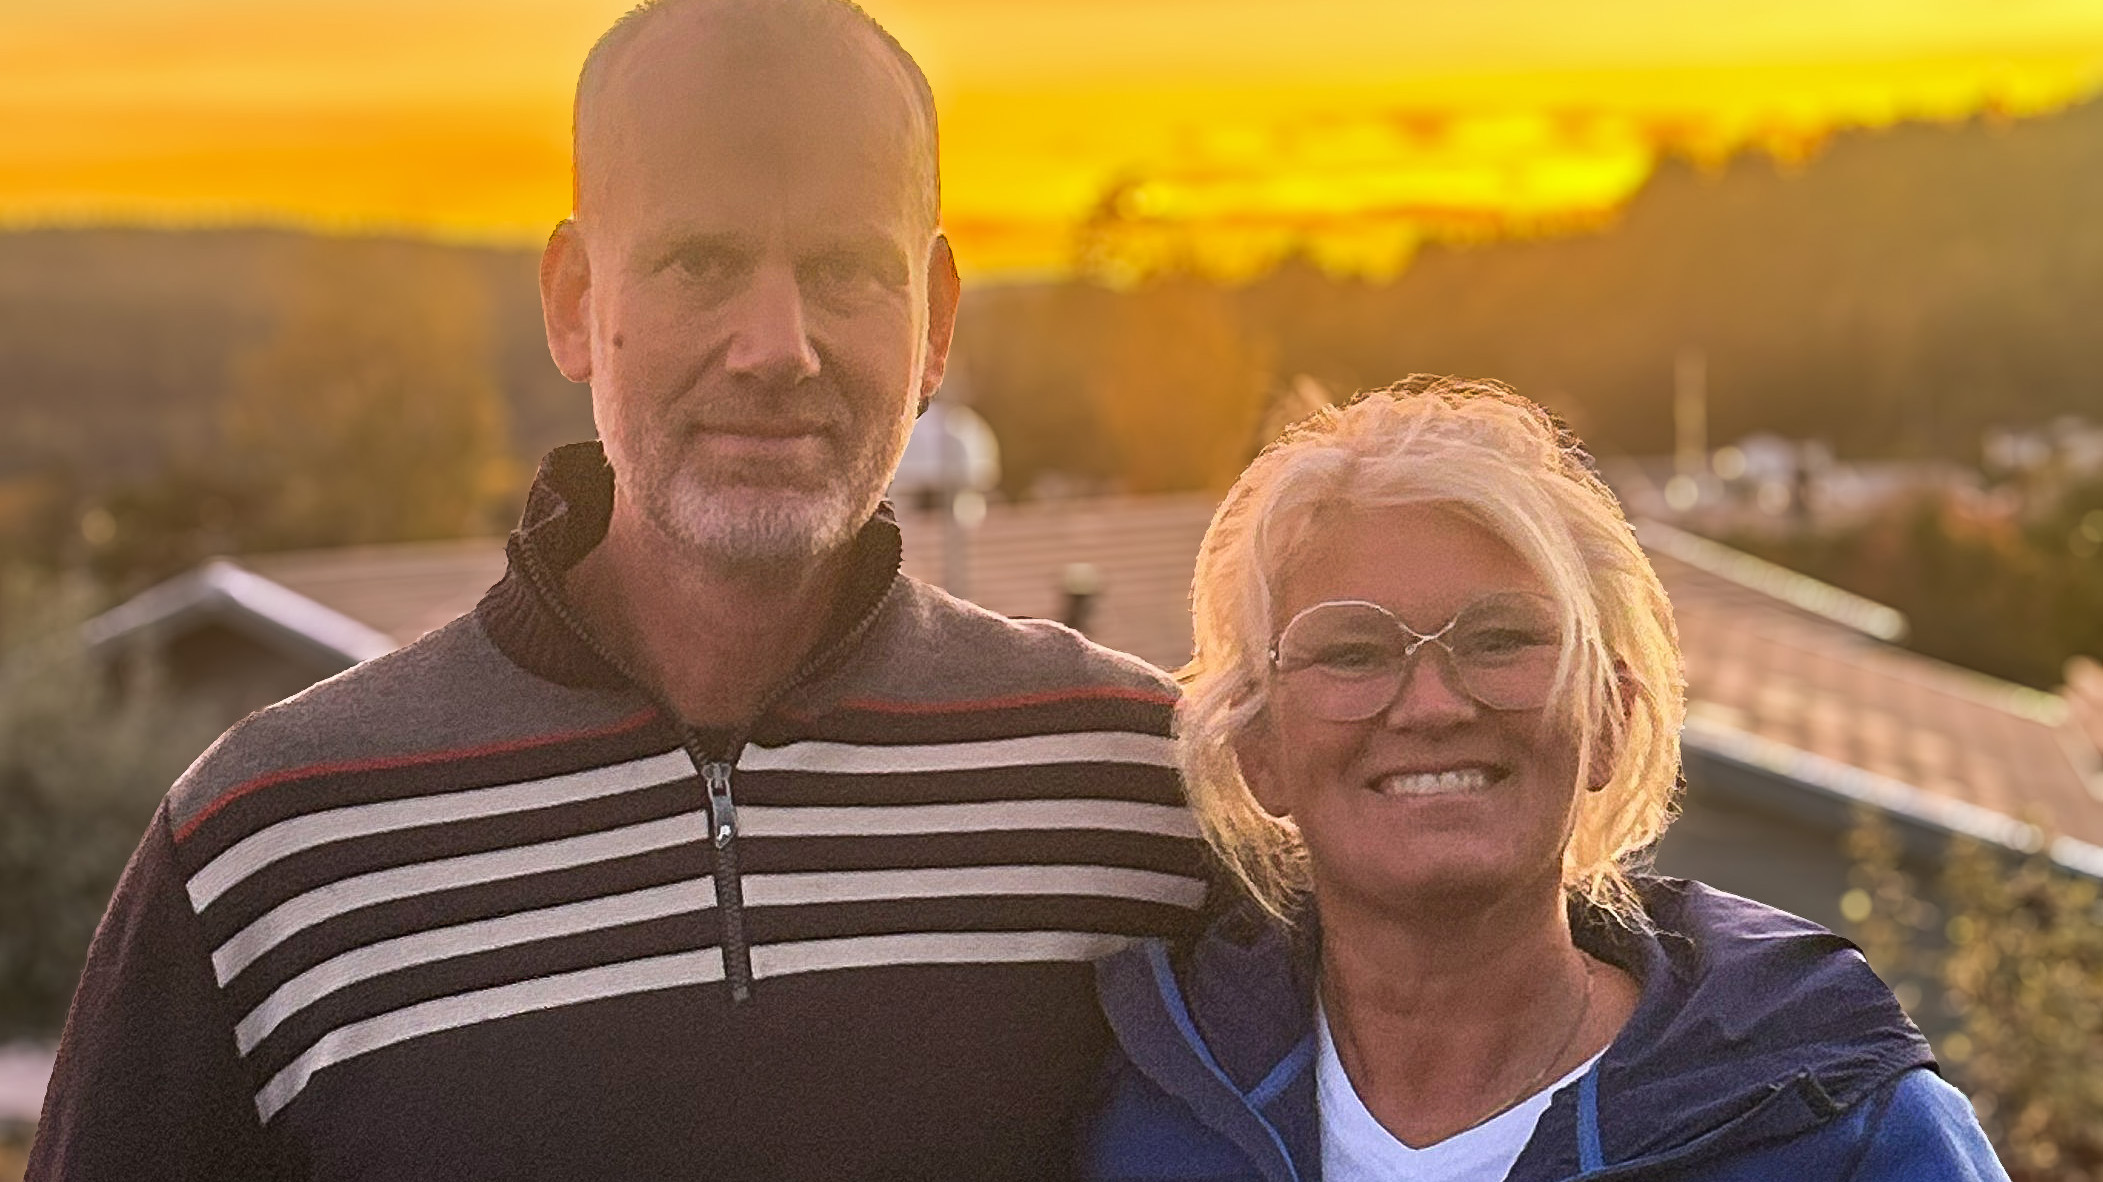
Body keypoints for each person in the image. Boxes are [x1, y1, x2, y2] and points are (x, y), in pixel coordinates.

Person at [29, 2, 1208, 1177]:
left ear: (937, 320)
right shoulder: (271, 847)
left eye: (847, 269)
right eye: (701, 262)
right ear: (575, 303)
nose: (777, 346)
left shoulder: (1141, 791)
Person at [1079, 378, 2008, 1181]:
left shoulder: (1837, 1129)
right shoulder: (1134, 1107)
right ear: (1256, 749)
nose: (1432, 705)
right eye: (1351, 652)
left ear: (1608, 719)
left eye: (1501, 639)